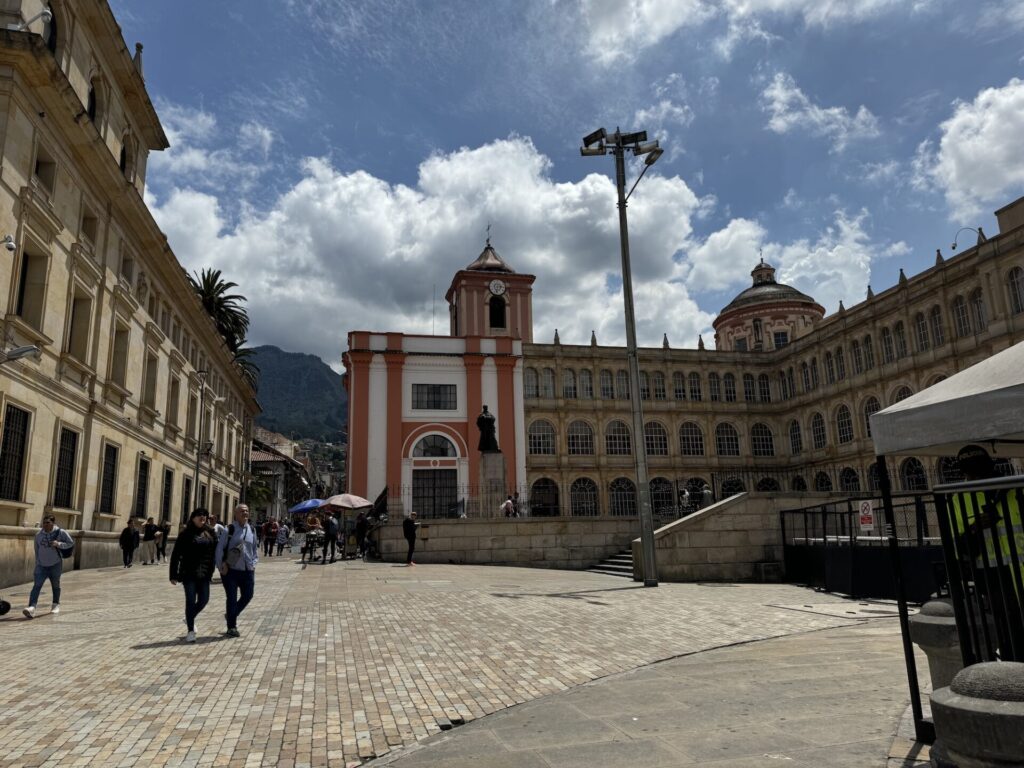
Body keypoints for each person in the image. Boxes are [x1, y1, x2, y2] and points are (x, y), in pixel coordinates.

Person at [169, 508, 218, 643]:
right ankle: (190, 630)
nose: (202, 517)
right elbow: (176, 555)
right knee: (190, 602)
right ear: (193, 518)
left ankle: (189, 617)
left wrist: (214, 569)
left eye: (205, 515)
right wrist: (173, 574)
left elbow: (216, 553)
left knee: (204, 600)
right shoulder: (185, 534)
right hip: (189, 573)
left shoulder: (211, 532)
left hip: (205, 574)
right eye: (199, 515)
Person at [215, 504, 258, 638]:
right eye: (242, 511)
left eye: (246, 510)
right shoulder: (229, 530)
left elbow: (255, 550)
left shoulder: (252, 529)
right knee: (232, 598)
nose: (245, 513)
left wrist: (254, 563)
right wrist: (221, 565)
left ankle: (231, 615)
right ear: (236, 514)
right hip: (231, 570)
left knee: (248, 595)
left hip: (248, 570)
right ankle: (231, 627)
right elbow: (219, 549)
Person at [23, 515, 74, 618]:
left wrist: (58, 544)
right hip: (41, 566)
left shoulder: (60, 532)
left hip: (55, 564)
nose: (45, 525)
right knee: (36, 586)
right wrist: (38, 562)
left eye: (48, 522)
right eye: (44, 522)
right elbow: (37, 550)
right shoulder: (38, 535)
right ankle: (32, 608)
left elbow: (70, 543)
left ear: (53, 523)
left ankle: (55, 604)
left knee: (56, 586)